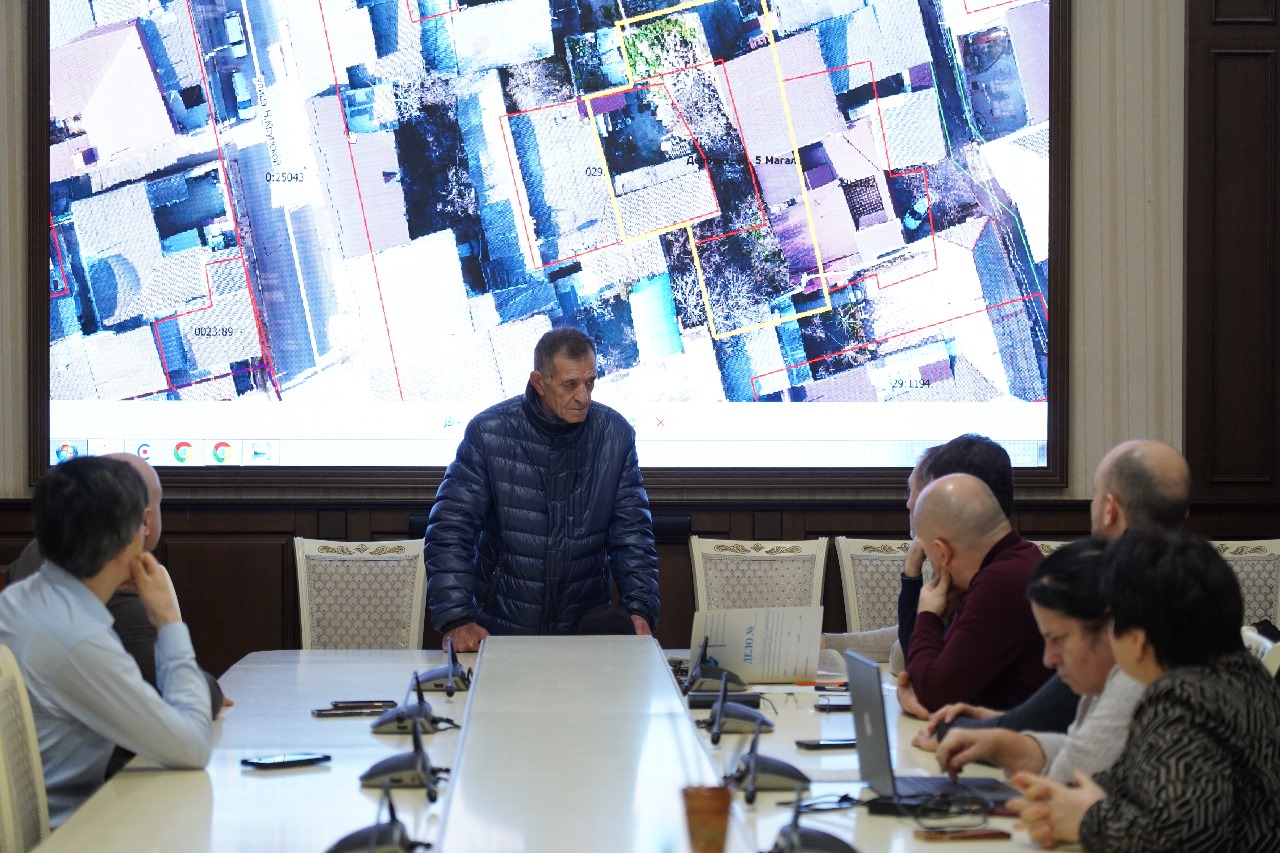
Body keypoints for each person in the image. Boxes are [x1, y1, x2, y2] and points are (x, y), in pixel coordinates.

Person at [1011, 531, 1280, 851]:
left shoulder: (1180, 699)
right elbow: (1142, 784)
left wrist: (1087, 818)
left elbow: (1181, 837)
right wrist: (1075, 800)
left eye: (1113, 623)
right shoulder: (1246, 676)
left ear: (1136, 640)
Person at [920, 439, 1191, 743]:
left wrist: (941, 727)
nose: (1051, 659)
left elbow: (1072, 737)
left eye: (1095, 494)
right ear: (1185, 514)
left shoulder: (1123, 595)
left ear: (1109, 510)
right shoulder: (1190, 586)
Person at [0, 456, 213, 827]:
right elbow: (193, 745)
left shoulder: (20, 599)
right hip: (73, 835)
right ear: (128, 540)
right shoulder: (79, 640)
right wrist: (168, 621)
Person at [425, 328, 660, 652]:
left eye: (590, 382)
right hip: (500, 631)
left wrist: (640, 608)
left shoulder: (614, 435)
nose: (583, 397)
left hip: (584, 633)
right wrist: (456, 619)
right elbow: (450, 529)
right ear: (539, 382)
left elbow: (632, 533)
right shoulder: (488, 433)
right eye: (570, 384)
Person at [6, 452, 226, 723]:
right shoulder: (109, 592)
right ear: (144, 521)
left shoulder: (35, 556)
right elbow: (194, 712)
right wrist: (168, 620)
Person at [934, 539, 1144, 784]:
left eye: (1058, 639)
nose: (1048, 660)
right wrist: (1007, 745)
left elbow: (1068, 777)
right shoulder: (1108, 675)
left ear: (1111, 628)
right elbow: (1079, 747)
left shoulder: (1132, 681)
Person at [898, 473, 1051, 716]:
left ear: (942, 552)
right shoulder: (1019, 558)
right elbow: (935, 674)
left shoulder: (998, 583)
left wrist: (927, 615)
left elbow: (931, 693)